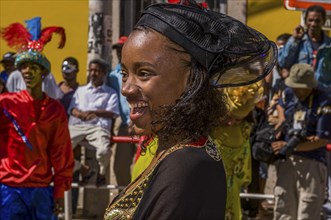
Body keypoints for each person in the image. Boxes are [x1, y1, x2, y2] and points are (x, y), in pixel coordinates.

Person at [104, 1, 277, 219]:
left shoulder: (185, 166)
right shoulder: (180, 151)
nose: (126, 89)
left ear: (190, 79)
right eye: (124, 74)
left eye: (144, 73)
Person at [0, 16, 74, 219]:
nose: (27, 71)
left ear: (43, 73)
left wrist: (59, 191)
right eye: (23, 67)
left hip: (41, 190)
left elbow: (61, 153)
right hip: (8, 190)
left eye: (33, 67)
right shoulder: (5, 103)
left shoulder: (55, 110)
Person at [271, 63, 331, 220]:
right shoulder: (290, 93)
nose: (296, 90)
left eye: (300, 87)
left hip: (312, 163)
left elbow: (322, 140)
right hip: (287, 162)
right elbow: (280, 105)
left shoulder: (324, 102)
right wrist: (282, 119)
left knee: (307, 213)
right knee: (283, 209)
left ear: (310, 86)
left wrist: (291, 147)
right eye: (294, 86)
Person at [68, 58, 119, 187]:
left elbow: (112, 112)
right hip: (78, 126)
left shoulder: (110, 93)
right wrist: (80, 114)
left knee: (103, 151)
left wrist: (94, 112)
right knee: (58, 149)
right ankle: (82, 168)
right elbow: (72, 109)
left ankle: (101, 174)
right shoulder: (81, 90)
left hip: (98, 127)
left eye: (96, 71)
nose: (93, 73)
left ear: (103, 73)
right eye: (91, 70)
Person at [278, 5, 331, 93]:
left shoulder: (329, 45)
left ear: (323, 21)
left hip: (322, 96)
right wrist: (293, 40)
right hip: (299, 94)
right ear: (305, 21)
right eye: (310, 20)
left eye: (317, 21)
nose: (313, 24)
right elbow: (283, 62)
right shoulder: (298, 42)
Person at [107, 36, 136, 188]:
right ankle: (126, 201)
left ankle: (144, 202)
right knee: (120, 167)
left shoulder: (139, 72)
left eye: (122, 49)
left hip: (143, 123)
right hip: (125, 125)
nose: (119, 53)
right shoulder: (112, 76)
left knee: (145, 165)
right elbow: (111, 103)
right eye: (118, 50)